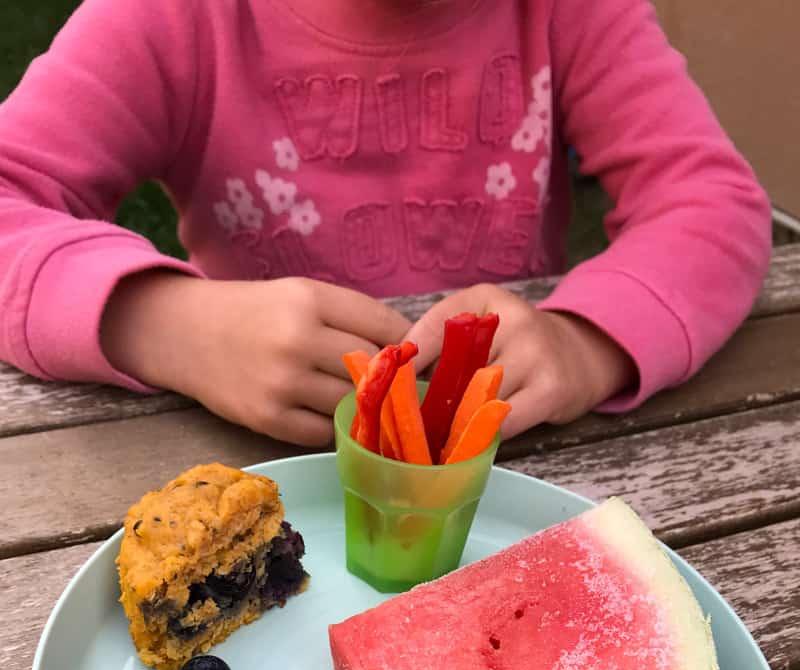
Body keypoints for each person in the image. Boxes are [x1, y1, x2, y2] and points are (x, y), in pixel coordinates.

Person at [0, 0, 772, 446]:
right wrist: (164, 323)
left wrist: (587, 341)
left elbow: (708, 198)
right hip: (249, 461)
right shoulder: (170, 16)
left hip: (522, 465)